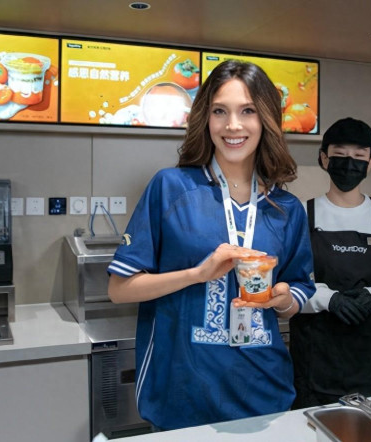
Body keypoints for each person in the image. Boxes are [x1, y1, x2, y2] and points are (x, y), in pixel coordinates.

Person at [107, 60, 316, 430]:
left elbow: (299, 288)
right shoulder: (171, 188)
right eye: (220, 111)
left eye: (247, 111)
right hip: (182, 394)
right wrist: (196, 274)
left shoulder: (286, 208)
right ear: (205, 118)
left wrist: (283, 299)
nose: (233, 125)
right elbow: (119, 289)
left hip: (263, 391)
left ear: (266, 119)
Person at [289, 117, 371, 408]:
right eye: (340, 154)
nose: (349, 164)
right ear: (324, 158)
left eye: (359, 156)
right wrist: (328, 299)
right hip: (314, 359)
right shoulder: (301, 215)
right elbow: (287, 284)